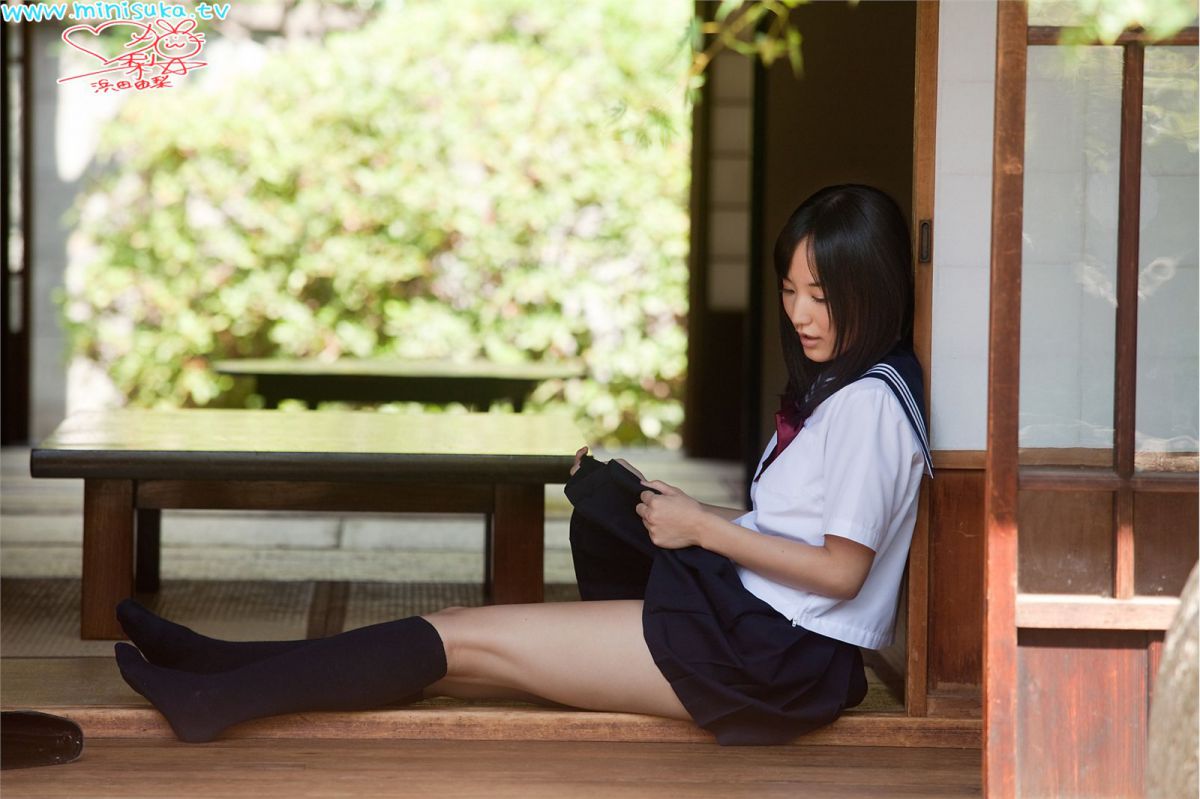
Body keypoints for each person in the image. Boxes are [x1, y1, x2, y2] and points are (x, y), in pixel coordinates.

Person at [114, 183, 932, 746]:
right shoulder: (860, 384)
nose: (800, 313)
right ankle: (218, 663)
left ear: (874, 286)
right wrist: (686, 516)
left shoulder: (865, 406)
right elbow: (803, 537)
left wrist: (703, 531)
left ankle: (215, 697)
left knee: (464, 641)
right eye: (790, 289)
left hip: (769, 654)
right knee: (464, 649)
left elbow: (839, 573)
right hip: (755, 628)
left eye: (821, 295)